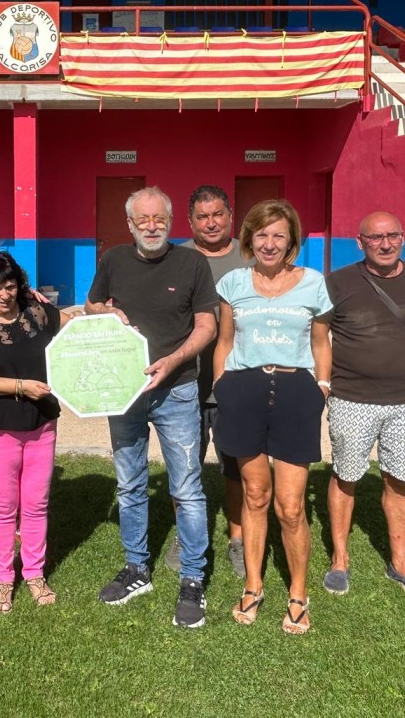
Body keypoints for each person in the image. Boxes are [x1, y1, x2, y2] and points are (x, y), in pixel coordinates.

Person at [84, 186, 218, 628]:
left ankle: (193, 578)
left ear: (171, 220)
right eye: (142, 219)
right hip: (124, 391)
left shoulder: (192, 263)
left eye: (159, 218)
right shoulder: (114, 260)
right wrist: (103, 309)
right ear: (129, 224)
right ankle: (137, 568)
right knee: (130, 483)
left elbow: (206, 324)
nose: (151, 226)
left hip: (177, 389)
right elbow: (90, 305)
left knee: (187, 488)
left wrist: (175, 359)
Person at [212, 198, 331, 635]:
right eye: (261, 234)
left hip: (296, 392)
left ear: (292, 241)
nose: (269, 243)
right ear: (249, 240)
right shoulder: (232, 284)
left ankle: (298, 591)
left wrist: (321, 387)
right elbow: (224, 341)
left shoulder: (313, 284)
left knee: (291, 505)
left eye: (278, 234)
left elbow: (321, 343)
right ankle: (253, 584)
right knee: (255, 495)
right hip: (243, 389)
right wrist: (222, 385)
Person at [323, 212, 405, 601]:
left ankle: (400, 564)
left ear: (404, 238)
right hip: (351, 398)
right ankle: (340, 560)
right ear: (360, 243)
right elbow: (320, 334)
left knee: (399, 479)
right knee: (345, 476)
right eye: (376, 238)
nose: (386, 244)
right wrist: (325, 381)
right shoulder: (338, 283)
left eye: (393, 236)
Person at [0, 251, 73, 612]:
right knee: (3, 508)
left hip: (41, 425)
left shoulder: (38, 314)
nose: (4, 295)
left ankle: (35, 574)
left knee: (36, 505)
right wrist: (21, 387)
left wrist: (106, 318)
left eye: (10, 286)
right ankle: (3, 581)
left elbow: (78, 332)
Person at [163, 184, 251, 579]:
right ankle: (186, 537)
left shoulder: (250, 256)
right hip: (185, 382)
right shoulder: (174, 257)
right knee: (185, 465)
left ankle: (238, 539)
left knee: (237, 466)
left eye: (218, 214)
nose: (211, 222)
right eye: (202, 216)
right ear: (190, 221)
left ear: (231, 214)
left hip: (238, 380)